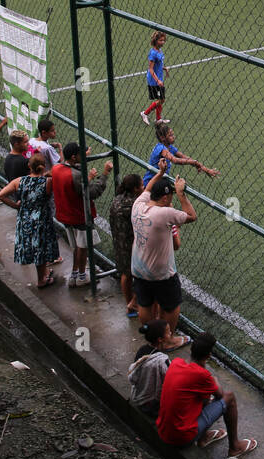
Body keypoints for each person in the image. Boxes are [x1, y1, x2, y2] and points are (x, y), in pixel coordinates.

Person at [156, 331, 257, 457]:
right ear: (208, 355)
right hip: (181, 438)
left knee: (202, 396)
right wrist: (213, 378)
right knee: (229, 397)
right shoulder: (202, 375)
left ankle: (203, 437)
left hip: (164, 432)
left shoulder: (176, 363)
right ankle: (235, 447)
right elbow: (220, 394)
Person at [131, 156, 197, 345]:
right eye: (172, 197)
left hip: (138, 267)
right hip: (161, 272)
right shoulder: (164, 213)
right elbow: (192, 216)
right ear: (166, 197)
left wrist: (159, 173)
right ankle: (167, 340)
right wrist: (182, 194)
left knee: (145, 303)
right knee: (171, 306)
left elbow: (148, 189)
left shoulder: (139, 204)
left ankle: (152, 336)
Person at [52, 142, 113, 287]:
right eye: (80, 154)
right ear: (73, 157)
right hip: (79, 215)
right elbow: (93, 192)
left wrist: (87, 173)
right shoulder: (76, 175)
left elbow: (75, 180)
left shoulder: (56, 168)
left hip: (64, 214)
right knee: (83, 247)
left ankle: (74, 275)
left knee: (76, 247)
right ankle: (81, 276)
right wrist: (104, 174)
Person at [0, 153, 60, 288]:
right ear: (42, 167)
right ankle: (41, 280)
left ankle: (45, 272)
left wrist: (16, 206)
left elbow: (1, 195)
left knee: (33, 246)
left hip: (25, 217)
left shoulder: (19, 181)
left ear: (29, 166)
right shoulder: (47, 182)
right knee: (40, 248)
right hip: (42, 219)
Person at [141, 119, 219, 186]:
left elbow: (186, 158)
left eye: (173, 134)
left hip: (159, 182)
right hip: (150, 182)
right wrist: (194, 162)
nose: (173, 136)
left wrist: (206, 169)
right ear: (162, 138)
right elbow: (175, 160)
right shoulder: (161, 148)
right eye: (170, 135)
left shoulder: (171, 148)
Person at [109, 174, 144, 317]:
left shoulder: (117, 199)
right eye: (141, 185)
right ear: (135, 189)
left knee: (126, 273)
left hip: (119, 242)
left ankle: (129, 303)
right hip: (132, 244)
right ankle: (134, 302)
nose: (143, 187)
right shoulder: (133, 205)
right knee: (141, 276)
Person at [128, 320, 175, 417]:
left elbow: (133, 375)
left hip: (138, 396)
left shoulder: (142, 350)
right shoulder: (162, 360)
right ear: (160, 339)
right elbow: (171, 383)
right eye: (168, 332)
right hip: (151, 406)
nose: (171, 333)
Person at [140, 31, 169, 126]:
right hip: (154, 80)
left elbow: (159, 64)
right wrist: (158, 81)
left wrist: (164, 68)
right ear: (155, 41)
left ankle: (158, 119)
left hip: (159, 78)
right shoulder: (153, 53)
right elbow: (151, 69)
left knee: (160, 98)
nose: (163, 42)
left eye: (164, 40)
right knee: (161, 99)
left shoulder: (160, 51)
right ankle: (145, 113)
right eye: (161, 40)